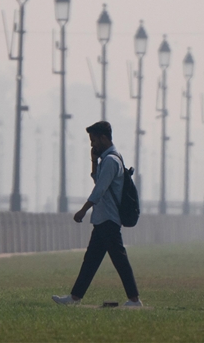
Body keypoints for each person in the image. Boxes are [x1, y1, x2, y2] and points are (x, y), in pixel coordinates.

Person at [52, 121, 142, 307]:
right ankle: (75, 298)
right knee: (90, 261)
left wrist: (83, 210)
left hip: (109, 219)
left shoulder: (111, 161)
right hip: (102, 219)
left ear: (103, 138)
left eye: (94, 140)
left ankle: (134, 300)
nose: (92, 145)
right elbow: (97, 180)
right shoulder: (106, 160)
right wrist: (93, 161)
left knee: (119, 260)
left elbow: (99, 190)